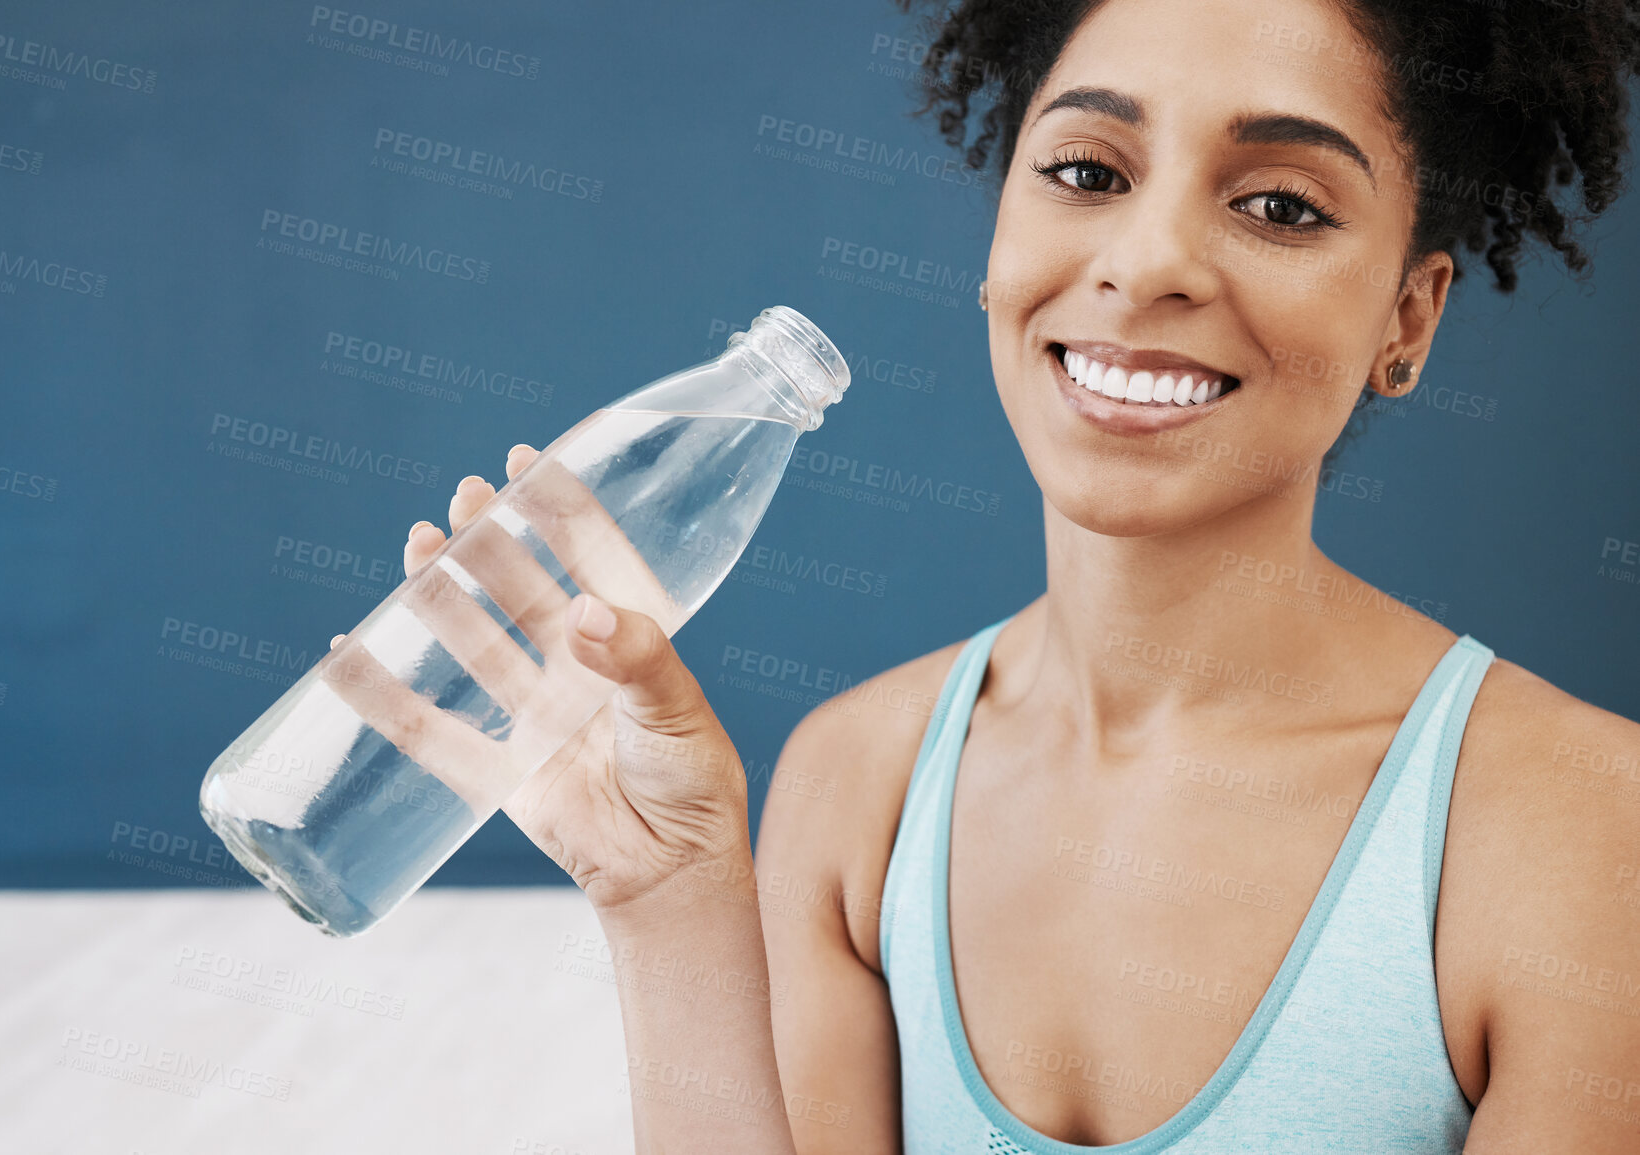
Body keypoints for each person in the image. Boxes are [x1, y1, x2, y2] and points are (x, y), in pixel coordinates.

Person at [342, 0, 1640, 1149]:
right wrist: (667, 899)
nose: (1146, 264)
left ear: (1406, 321)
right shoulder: (863, 781)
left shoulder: (1583, 828)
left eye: (1279, 206)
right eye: (1086, 170)